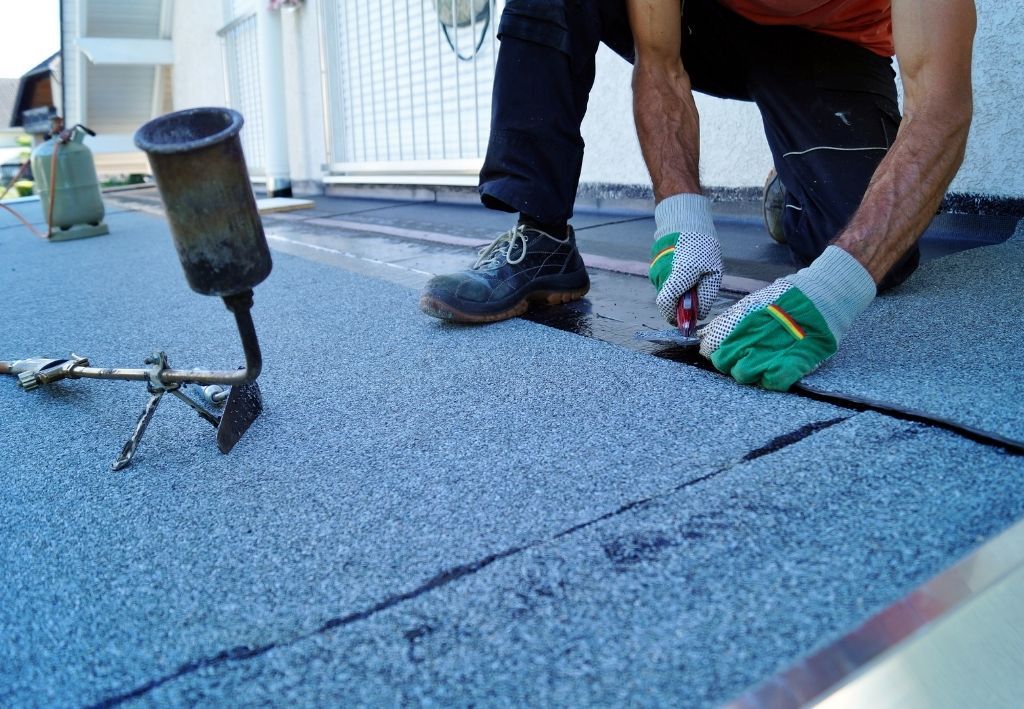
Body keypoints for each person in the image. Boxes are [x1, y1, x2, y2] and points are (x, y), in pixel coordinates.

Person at [419, 0, 976, 390]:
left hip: (831, 42)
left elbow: (940, 106)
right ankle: (541, 237)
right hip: (706, 18)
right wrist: (679, 215)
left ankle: (792, 189)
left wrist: (835, 288)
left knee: (882, 259)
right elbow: (659, 63)